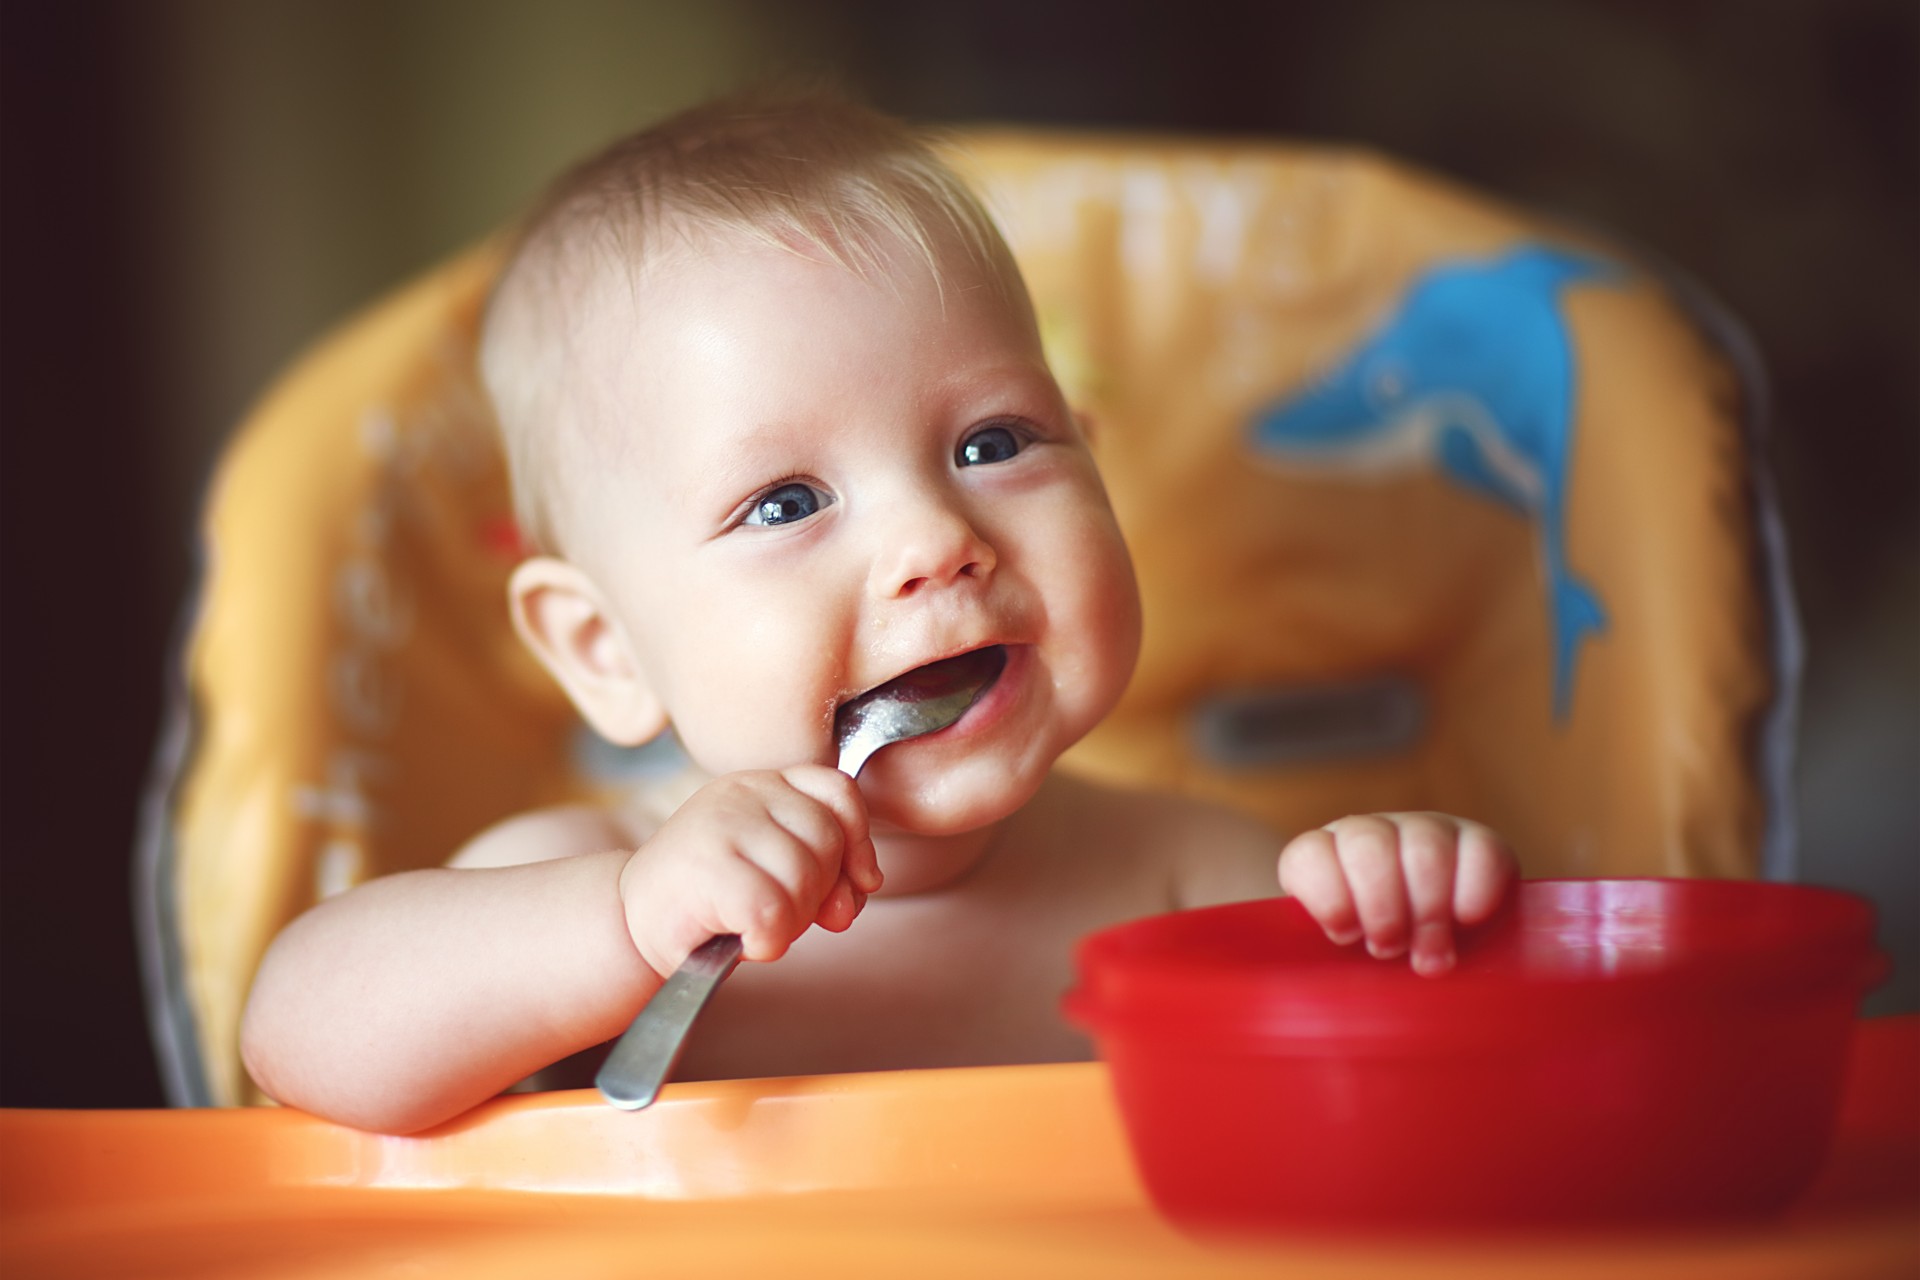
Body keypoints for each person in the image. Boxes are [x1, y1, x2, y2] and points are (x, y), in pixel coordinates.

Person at [241, 91, 1516, 1135]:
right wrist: (628, 918)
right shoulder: (574, 883)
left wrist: (1400, 919)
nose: (935, 542)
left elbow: (1428, 1123)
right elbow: (296, 1035)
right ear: (604, 648)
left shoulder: (1190, 880)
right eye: (788, 501)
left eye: (992, 440)